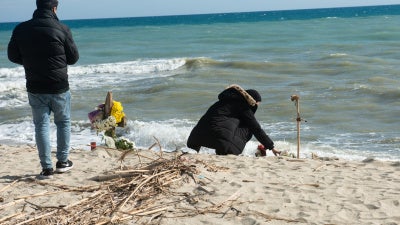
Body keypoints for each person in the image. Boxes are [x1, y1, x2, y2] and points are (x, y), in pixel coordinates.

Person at [8, 0, 79, 179]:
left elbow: (12, 56)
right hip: (59, 86)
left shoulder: (21, 29)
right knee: (63, 122)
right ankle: (62, 162)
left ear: (37, 7)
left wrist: (30, 62)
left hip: (35, 85)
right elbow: (73, 58)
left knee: (41, 125)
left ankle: (46, 167)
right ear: (54, 8)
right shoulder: (62, 28)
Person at [187, 84, 281, 156]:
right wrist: (271, 147)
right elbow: (256, 128)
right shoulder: (243, 106)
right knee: (249, 126)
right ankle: (228, 151)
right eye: (256, 104)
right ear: (251, 101)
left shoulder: (221, 102)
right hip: (220, 142)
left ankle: (221, 148)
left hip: (195, 138)